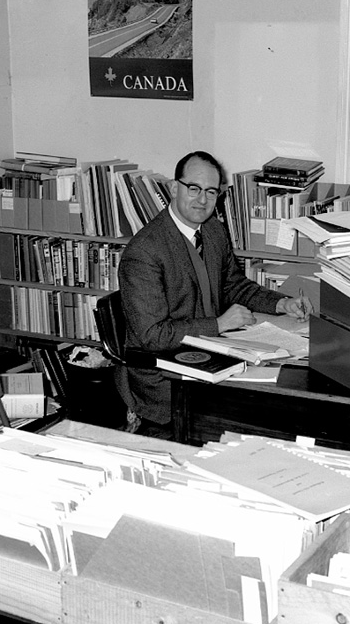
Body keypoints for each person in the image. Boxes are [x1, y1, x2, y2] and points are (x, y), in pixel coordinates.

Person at [117, 150, 312, 431]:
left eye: (211, 192)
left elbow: (233, 285)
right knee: (258, 413)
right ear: (174, 188)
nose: (202, 200)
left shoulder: (212, 231)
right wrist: (219, 324)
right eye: (193, 188)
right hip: (165, 374)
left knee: (284, 393)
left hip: (211, 352)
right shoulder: (144, 252)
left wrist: (281, 304)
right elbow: (152, 336)